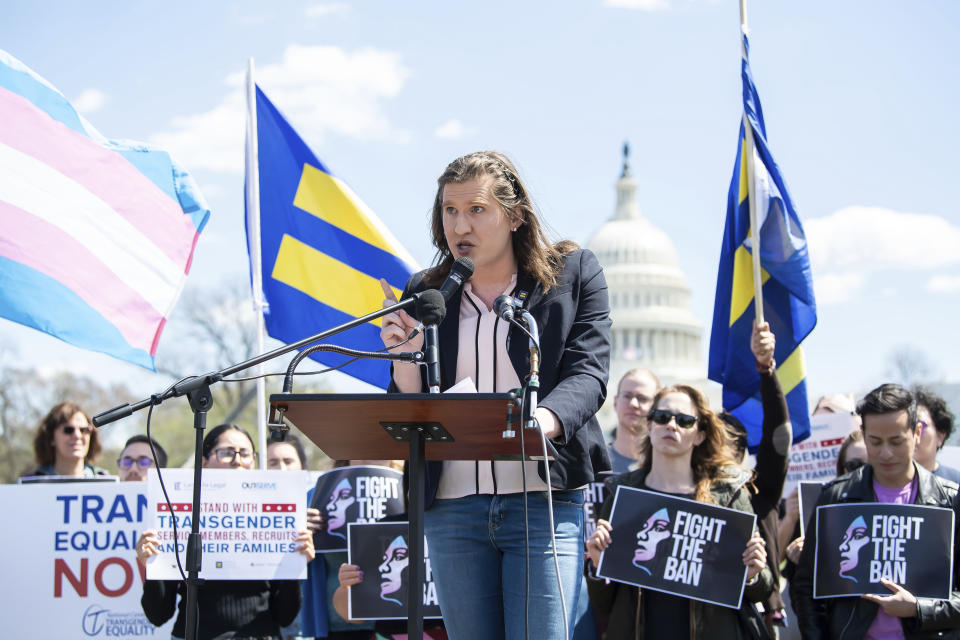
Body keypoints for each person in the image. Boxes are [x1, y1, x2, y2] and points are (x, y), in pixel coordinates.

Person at [379, 151, 612, 639]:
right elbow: (412, 401)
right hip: (452, 508)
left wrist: (541, 423)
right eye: (449, 211)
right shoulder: (426, 292)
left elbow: (588, 373)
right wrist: (405, 356)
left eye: (476, 210)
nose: (459, 225)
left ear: (515, 215)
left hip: (541, 500)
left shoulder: (570, 274)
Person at [586, 384, 772, 638]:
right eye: (662, 417)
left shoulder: (727, 496)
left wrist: (752, 575)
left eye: (684, 421)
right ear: (650, 426)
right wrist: (597, 565)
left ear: (700, 435)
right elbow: (604, 603)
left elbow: (763, 590)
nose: (671, 426)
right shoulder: (621, 494)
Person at [790, 384, 960, 639]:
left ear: (917, 433)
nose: (886, 453)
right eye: (875, 442)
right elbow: (805, 588)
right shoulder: (836, 497)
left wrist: (918, 609)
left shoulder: (950, 500)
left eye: (896, 441)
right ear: (863, 433)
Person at [137, 424, 315, 640]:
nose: (238, 460)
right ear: (204, 461)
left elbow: (285, 616)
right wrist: (152, 566)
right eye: (227, 453)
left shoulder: (274, 518)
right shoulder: (181, 517)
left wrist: (294, 567)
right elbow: (157, 615)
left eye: (246, 453)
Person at [721, 321, 792, 634]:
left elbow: (779, 434)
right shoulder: (686, 494)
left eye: (718, 447)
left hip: (755, 621)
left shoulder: (757, 493)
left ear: (739, 454)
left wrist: (766, 371)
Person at [27, 401, 107, 477]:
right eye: (68, 430)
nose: (77, 435)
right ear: (51, 437)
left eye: (84, 430)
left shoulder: (106, 482)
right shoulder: (28, 485)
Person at [608, 369, 660, 473]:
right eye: (627, 396)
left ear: (657, 407)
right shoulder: (592, 462)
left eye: (642, 398)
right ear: (615, 402)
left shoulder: (665, 466)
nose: (633, 404)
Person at [913, 387, 960, 484]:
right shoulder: (881, 481)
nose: (912, 434)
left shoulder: (955, 484)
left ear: (940, 436)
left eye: (919, 426)